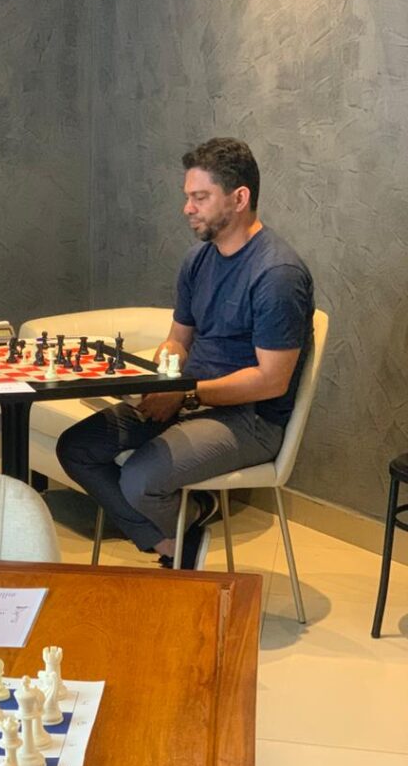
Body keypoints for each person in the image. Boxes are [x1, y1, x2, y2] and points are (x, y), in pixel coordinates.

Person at [56, 137, 315, 569]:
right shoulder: (198, 260)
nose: (187, 208)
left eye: (200, 197)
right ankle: (177, 540)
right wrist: (158, 377)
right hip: (191, 400)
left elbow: (271, 380)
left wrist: (186, 394)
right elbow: (178, 339)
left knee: (140, 478)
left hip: (250, 420)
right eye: (187, 197)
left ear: (239, 198)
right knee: (76, 447)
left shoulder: (277, 274)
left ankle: (186, 525)